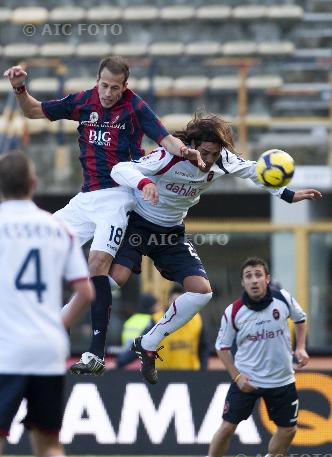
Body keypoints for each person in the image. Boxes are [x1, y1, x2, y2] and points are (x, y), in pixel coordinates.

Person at [4, 56, 203, 376]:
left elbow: (165, 138)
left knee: (97, 264)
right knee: (41, 244)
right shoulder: (84, 101)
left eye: (115, 87)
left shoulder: (135, 107)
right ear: (97, 80)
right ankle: (39, 321)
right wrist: (19, 88)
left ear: (125, 86)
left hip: (120, 195)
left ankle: (95, 352)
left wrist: (185, 152)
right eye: (104, 85)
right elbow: (34, 111)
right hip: (86, 199)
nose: (108, 93)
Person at [106, 113, 321, 384]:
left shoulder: (223, 160)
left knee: (201, 292)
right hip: (138, 224)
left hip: (170, 233)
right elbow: (122, 169)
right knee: (114, 281)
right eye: (205, 152)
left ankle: (148, 343)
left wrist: (288, 195)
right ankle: (74, 321)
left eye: (214, 154)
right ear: (192, 143)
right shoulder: (168, 155)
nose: (208, 160)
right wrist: (144, 183)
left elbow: (255, 171)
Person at [0, 151, 94, 457]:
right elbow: (84, 292)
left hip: (6, 348)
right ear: (34, 185)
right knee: (49, 443)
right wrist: (58, 327)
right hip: (47, 350)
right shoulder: (59, 228)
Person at [190, 257, 309, 457]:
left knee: (288, 430)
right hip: (248, 380)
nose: (254, 280)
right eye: (249, 276)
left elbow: (301, 319)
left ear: (267, 279)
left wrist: (301, 348)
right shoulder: (233, 312)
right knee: (227, 428)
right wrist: (236, 377)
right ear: (243, 283)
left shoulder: (283, 298)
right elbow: (222, 348)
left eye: (258, 275)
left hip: (282, 379)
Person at [117, 285, 210, 370]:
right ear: (169, 301)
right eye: (174, 300)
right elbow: (142, 344)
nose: (177, 305)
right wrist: (120, 362)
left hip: (191, 374)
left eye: (180, 301)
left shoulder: (197, 320)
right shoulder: (157, 320)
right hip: (164, 375)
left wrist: (203, 371)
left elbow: (203, 349)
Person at [116, 293, 161, 368]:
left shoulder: (130, 320)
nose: (159, 308)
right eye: (157, 305)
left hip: (126, 361)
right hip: (141, 362)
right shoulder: (152, 321)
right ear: (151, 306)